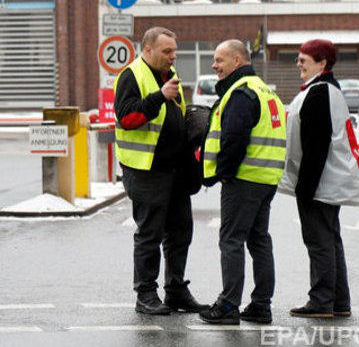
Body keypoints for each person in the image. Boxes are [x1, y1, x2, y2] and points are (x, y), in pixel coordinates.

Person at [114, 26, 208, 315]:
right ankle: (145, 294)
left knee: (181, 231)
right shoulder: (132, 75)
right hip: (146, 169)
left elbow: (174, 116)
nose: (173, 56)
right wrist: (159, 96)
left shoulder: (170, 75)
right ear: (148, 50)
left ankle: (176, 290)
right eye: (167, 51)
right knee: (150, 234)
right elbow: (127, 117)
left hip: (175, 168)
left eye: (174, 51)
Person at [199, 39, 286, 325]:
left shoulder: (241, 92)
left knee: (231, 240)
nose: (214, 66)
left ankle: (228, 305)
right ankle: (261, 305)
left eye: (219, 60)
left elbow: (234, 139)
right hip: (266, 179)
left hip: (243, 178)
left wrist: (222, 172)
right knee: (259, 240)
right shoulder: (266, 92)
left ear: (237, 61)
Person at [278, 39, 359, 318]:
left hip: (319, 183)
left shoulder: (318, 93)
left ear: (322, 63)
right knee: (330, 240)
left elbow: (315, 147)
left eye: (304, 59)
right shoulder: (330, 90)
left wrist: (305, 188)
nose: (298, 64)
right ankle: (338, 302)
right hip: (329, 181)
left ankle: (321, 300)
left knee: (319, 242)